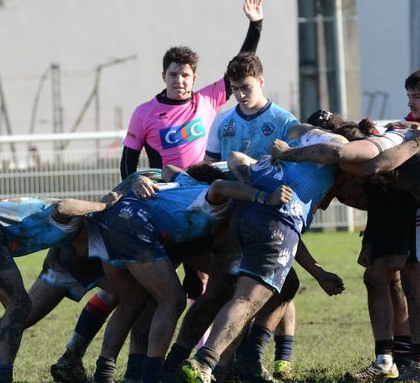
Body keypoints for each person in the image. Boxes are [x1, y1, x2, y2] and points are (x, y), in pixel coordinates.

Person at [269, 123, 420, 380]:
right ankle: (398, 359)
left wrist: (287, 153)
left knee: (417, 279)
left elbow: (350, 157)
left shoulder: (383, 142)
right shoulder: (396, 137)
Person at [88, 163, 293, 383]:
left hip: (112, 218)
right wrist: (264, 197)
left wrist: (140, 180)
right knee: (172, 300)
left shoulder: (186, 182)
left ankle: (105, 373)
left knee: (132, 301)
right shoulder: (216, 200)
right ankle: (151, 377)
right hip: (133, 223)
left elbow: (167, 169)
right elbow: (220, 186)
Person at [170, 51, 300, 383]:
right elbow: (209, 168)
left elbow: (294, 172)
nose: (241, 94)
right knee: (222, 290)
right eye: (235, 88)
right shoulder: (224, 121)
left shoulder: (285, 121)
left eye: (246, 87)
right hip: (229, 219)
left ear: (261, 82)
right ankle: (185, 361)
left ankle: (248, 358)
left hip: (270, 215)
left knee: (278, 286)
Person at [181, 130, 347, 383]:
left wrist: (318, 272)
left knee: (256, 289)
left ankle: (213, 363)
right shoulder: (336, 148)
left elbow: (237, 158)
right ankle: (205, 362)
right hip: (275, 221)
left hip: (244, 217)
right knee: (247, 299)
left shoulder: (295, 139)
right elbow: (336, 152)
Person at [0, 195, 120, 383]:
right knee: (19, 305)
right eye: (94, 246)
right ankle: (2, 378)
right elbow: (64, 206)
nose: (91, 253)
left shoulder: (71, 237)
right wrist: (104, 205)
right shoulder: (75, 220)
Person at [119, 0, 264, 177]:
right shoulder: (143, 113)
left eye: (185, 75)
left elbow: (240, 66)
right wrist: (130, 187)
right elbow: (128, 161)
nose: (179, 81)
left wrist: (256, 25)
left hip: (207, 186)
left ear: (194, 78)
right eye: (173, 74)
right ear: (163, 76)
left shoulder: (208, 98)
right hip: (169, 189)